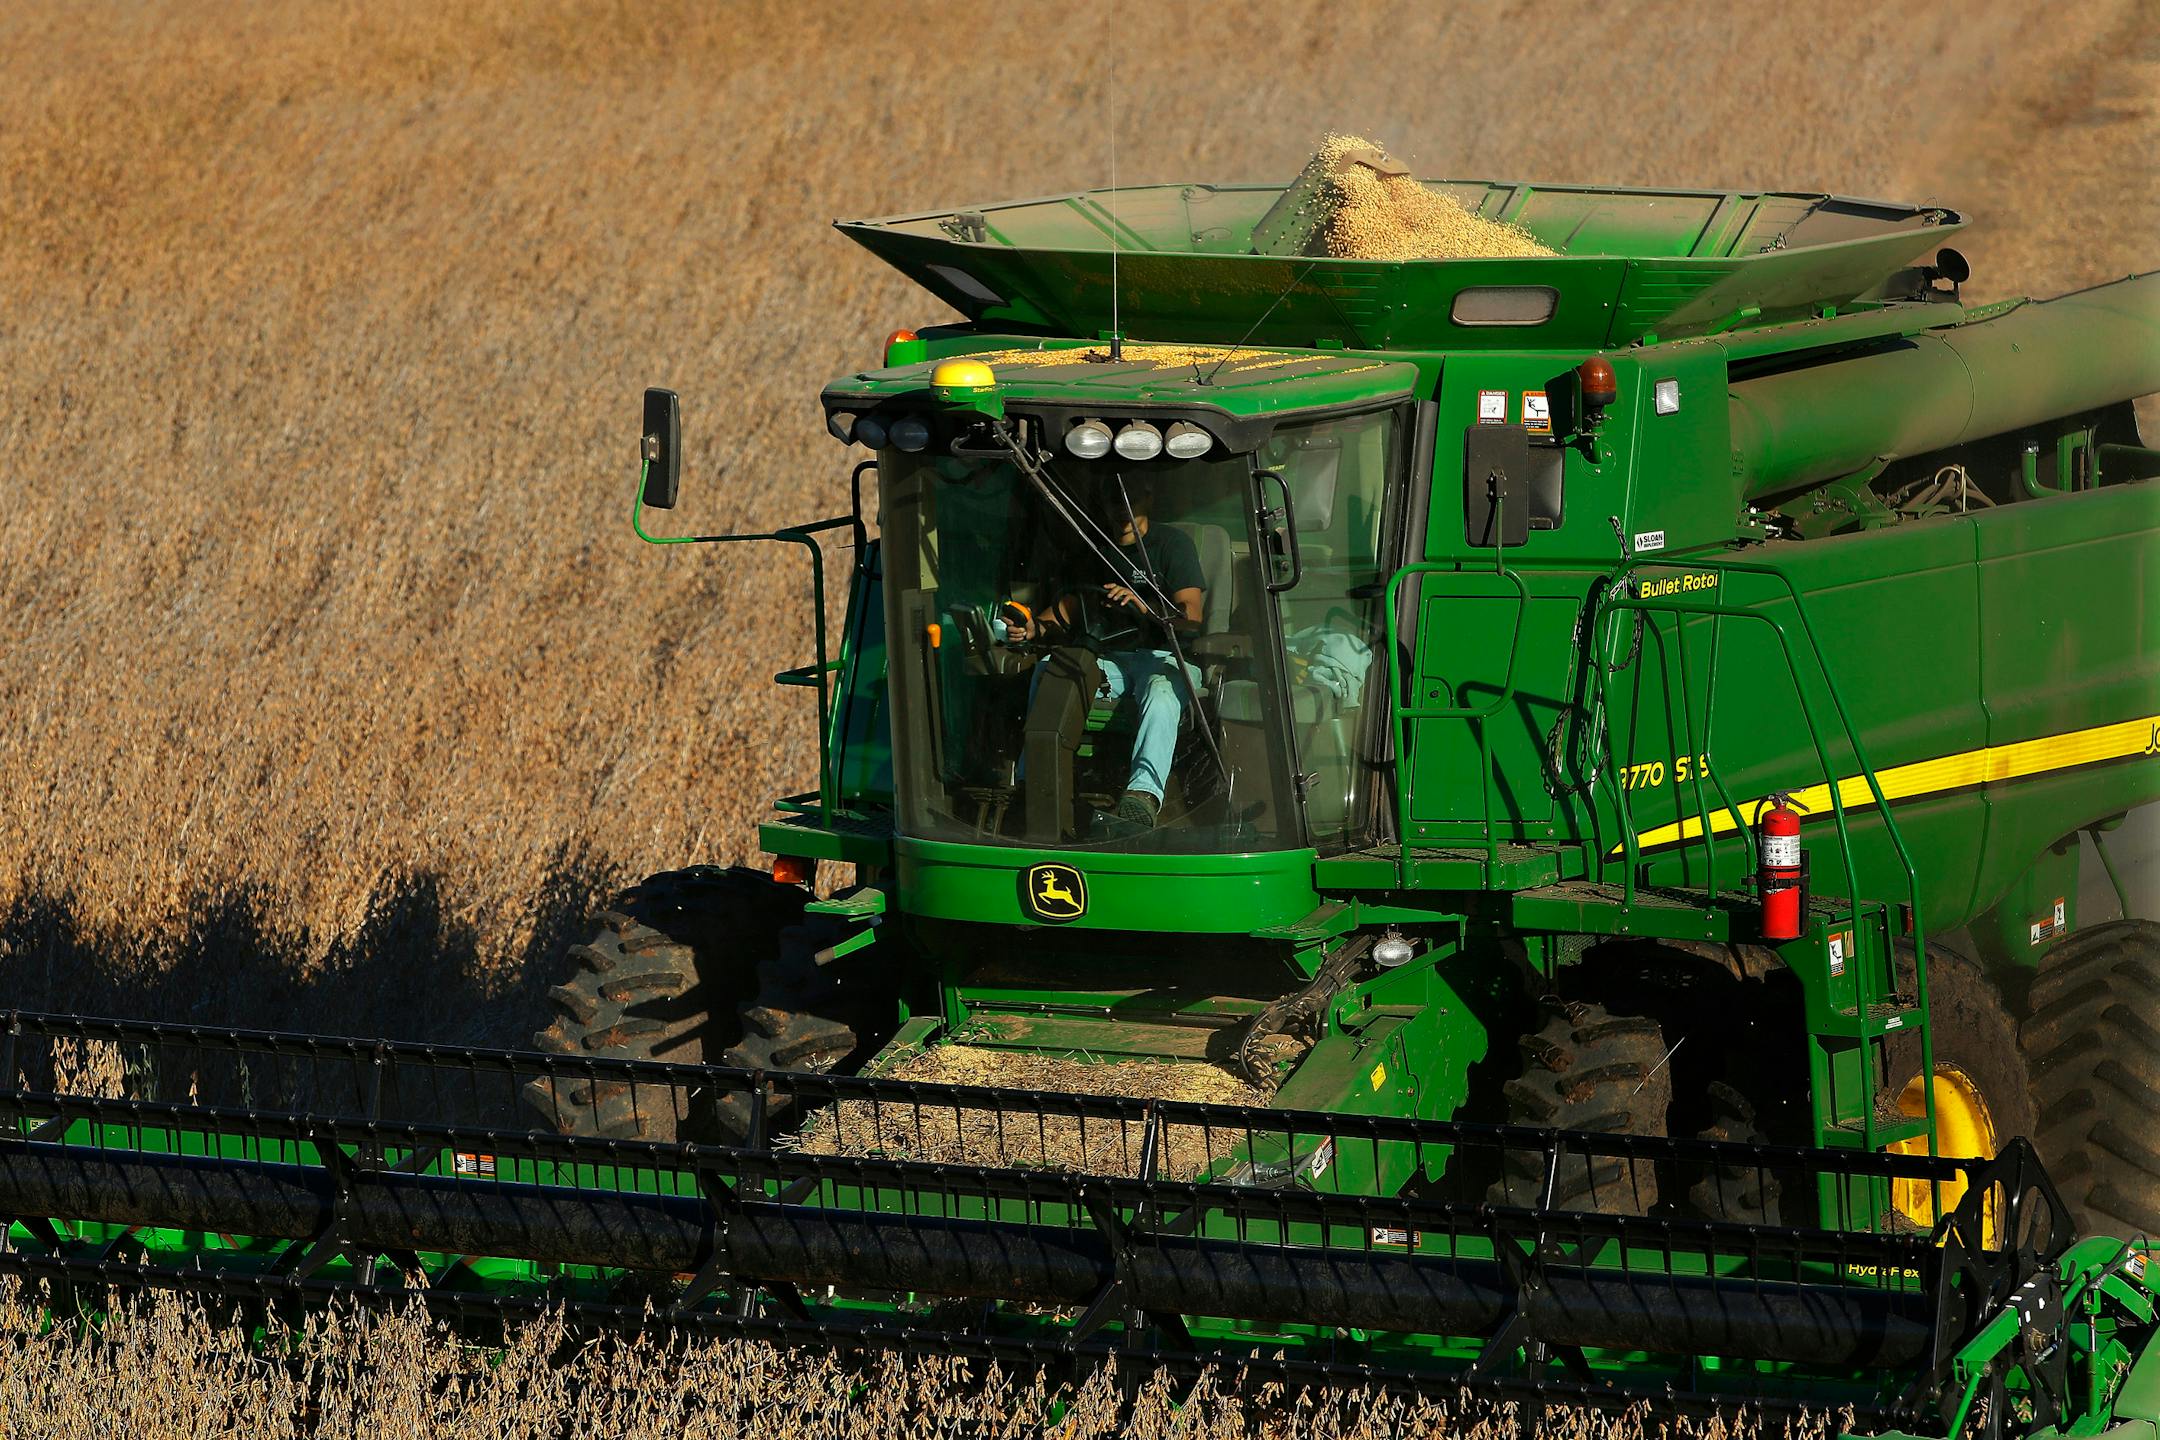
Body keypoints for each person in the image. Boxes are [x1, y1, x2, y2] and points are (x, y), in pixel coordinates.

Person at [1007, 479, 1205, 832]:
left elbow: (1191, 615)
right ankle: (1030, 782)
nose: (1123, 508)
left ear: (1149, 495)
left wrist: (1145, 607)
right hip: (1109, 659)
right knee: (1052, 669)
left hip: (1165, 657)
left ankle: (1142, 796)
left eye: (1131, 497)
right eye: (1115, 500)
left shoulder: (1172, 545)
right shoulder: (1095, 552)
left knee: (1161, 693)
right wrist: (1032, 628)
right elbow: (1066, 610)